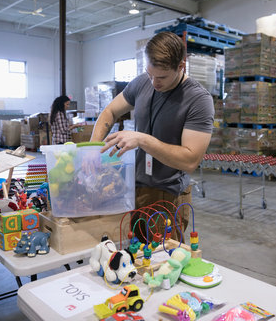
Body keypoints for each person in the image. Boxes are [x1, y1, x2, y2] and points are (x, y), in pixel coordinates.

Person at [90, 31, 215, 241]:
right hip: (131, 187)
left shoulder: (198, 100)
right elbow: (110, 112)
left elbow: (190, 160)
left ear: (181, 67)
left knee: (162, 262)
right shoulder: (142, 83)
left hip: (167, 194)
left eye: (162, 77)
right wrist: (91, 150)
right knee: (130, 257)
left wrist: (142, 139)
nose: (154, 83)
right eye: (150, 74)